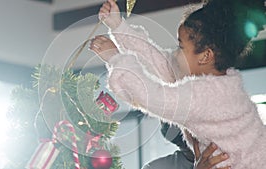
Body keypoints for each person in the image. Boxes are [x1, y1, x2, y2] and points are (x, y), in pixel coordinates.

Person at [90, 0, 266, 168]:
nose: (175, 54)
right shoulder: (216, 79)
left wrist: (115, 57)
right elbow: (160, 62)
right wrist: (118, 26)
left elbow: (150, 96)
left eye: (180, 47)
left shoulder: (207, 96)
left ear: (205, 56)